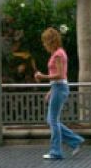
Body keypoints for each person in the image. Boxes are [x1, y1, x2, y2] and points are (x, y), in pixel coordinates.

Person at [34, 27, 84, 160]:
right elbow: (60, 76)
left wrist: (42, 76)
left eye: (45, 42)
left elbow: (60, 74)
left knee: (53, 121)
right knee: (51, 120)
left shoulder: (58, 55)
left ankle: (56, 151)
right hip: (57, 87)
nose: (44, 45)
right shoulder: (58, 53)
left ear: (50, 41)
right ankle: (75, 140)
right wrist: (51, 90)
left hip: (60, 88)